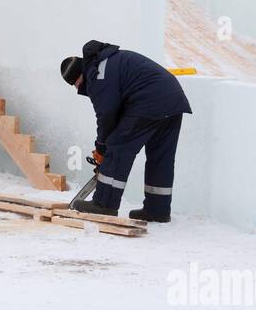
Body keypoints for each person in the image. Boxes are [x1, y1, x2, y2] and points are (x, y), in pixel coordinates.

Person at [61, 40, 191, 222]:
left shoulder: (97, 74)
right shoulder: (107, 61)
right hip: (173, 100)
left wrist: (102, 148)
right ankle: (157, 209)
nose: (78, 89)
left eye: (75, 84)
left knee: (118, 148)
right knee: (161, 157)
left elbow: (107, 115)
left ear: (78, 76)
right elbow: (117, 108)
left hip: (149, 101)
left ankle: (104, 204)